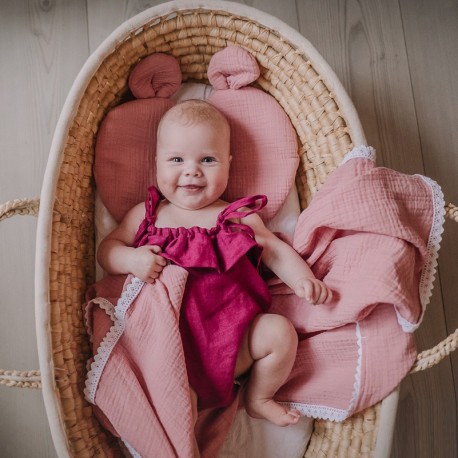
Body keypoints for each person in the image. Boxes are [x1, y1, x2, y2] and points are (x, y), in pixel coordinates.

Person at [97, 99, 333, 427]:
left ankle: (258, 396)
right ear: (157, 163)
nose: (191, 170)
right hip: (171, 349)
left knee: (280, 334)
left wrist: (302, 280)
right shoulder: (148, 215)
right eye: (177, 159)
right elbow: (107, 251)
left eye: (207, 159)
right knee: (179, 413)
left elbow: (274, 250)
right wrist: (132, 258)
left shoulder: (238, 216)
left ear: (229, 164)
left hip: (235, 342)